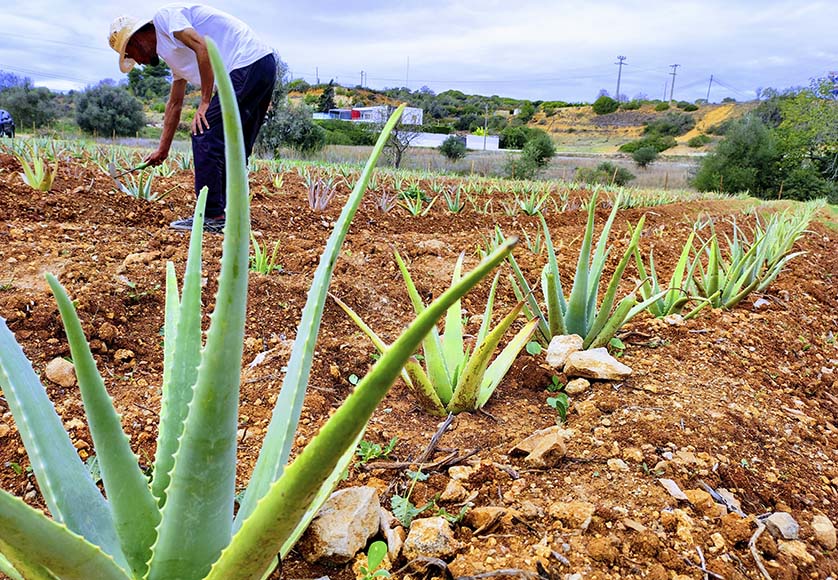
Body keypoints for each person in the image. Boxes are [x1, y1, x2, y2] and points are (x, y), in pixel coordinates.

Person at [109, 4, 277, 233]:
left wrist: (205, 101)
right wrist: (163, 149)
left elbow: (202, 46)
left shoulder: (165, 19)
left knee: (204, 131)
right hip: (262, 64)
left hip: (246, 63)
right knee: (235, 146)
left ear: (136, 40)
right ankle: (229, 215)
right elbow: (175, 104)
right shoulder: (172, 56)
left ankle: (211, 215)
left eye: (131, 55)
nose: (137, 62)